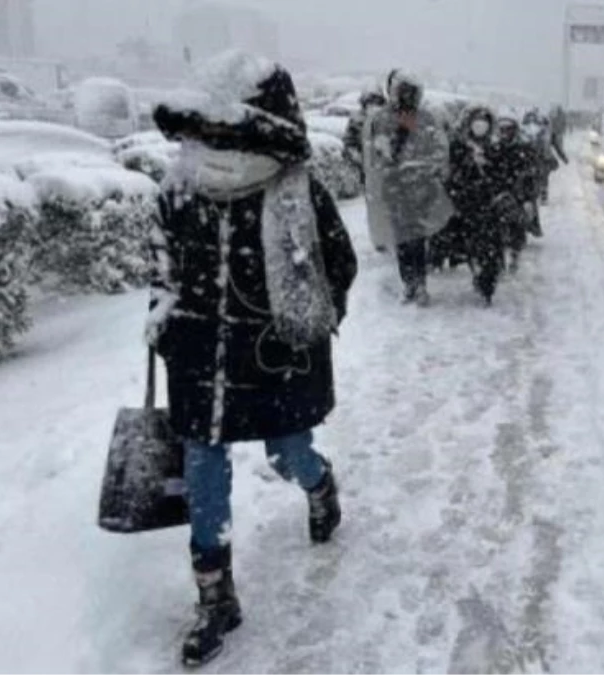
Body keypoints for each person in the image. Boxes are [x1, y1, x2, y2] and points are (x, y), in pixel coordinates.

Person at [149, 50, 358, 667]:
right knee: (204, 468)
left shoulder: (295, 191)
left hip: (274, 359)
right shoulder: (179, 187)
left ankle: (320, 485)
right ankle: (215, 597)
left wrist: (304, 323)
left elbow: (338, 266)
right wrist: (165, 321)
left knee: (287, 452)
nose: (216, 140)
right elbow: (161, 267)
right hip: (199, 361)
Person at [362, 70, 452, 305]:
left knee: (417, 238)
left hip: (420, 189)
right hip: (395, 188)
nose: (406, 97)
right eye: (403, 92)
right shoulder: (381, 119)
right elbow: (373, 153)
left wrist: (424, 169)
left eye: (410, 92)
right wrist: (387, 167)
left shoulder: (426, 119)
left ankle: (419, 283)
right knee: (402, 238)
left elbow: (439, 150)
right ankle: (409, 283)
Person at [445, 105, 505, 304]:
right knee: (467, 243)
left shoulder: (496, 147)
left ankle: (487, 282)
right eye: (476, 122)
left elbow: (503, 174)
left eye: (484, 122)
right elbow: (451, 174)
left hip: (490, 206)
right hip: (466, 204)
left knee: (490, 248)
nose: (480, 126)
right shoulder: (458, 146)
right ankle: (474, 269)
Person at [492, 114, 539, 271]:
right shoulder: (493, 148)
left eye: (508, 130)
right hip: (498, 193)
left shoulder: (524, 148)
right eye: (502, 130)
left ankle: (514, 255)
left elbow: (531, 175)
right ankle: (498, 261)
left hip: (518, 194)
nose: (505, 133)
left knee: (517, 226)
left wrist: (527, 198)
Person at [343, 88, 386, 186]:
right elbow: (349, 143)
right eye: (370, 104)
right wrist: (357, 157)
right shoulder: (356, 121)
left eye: (377, 104)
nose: (374, 107)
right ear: (364, 105)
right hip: (364, 167)